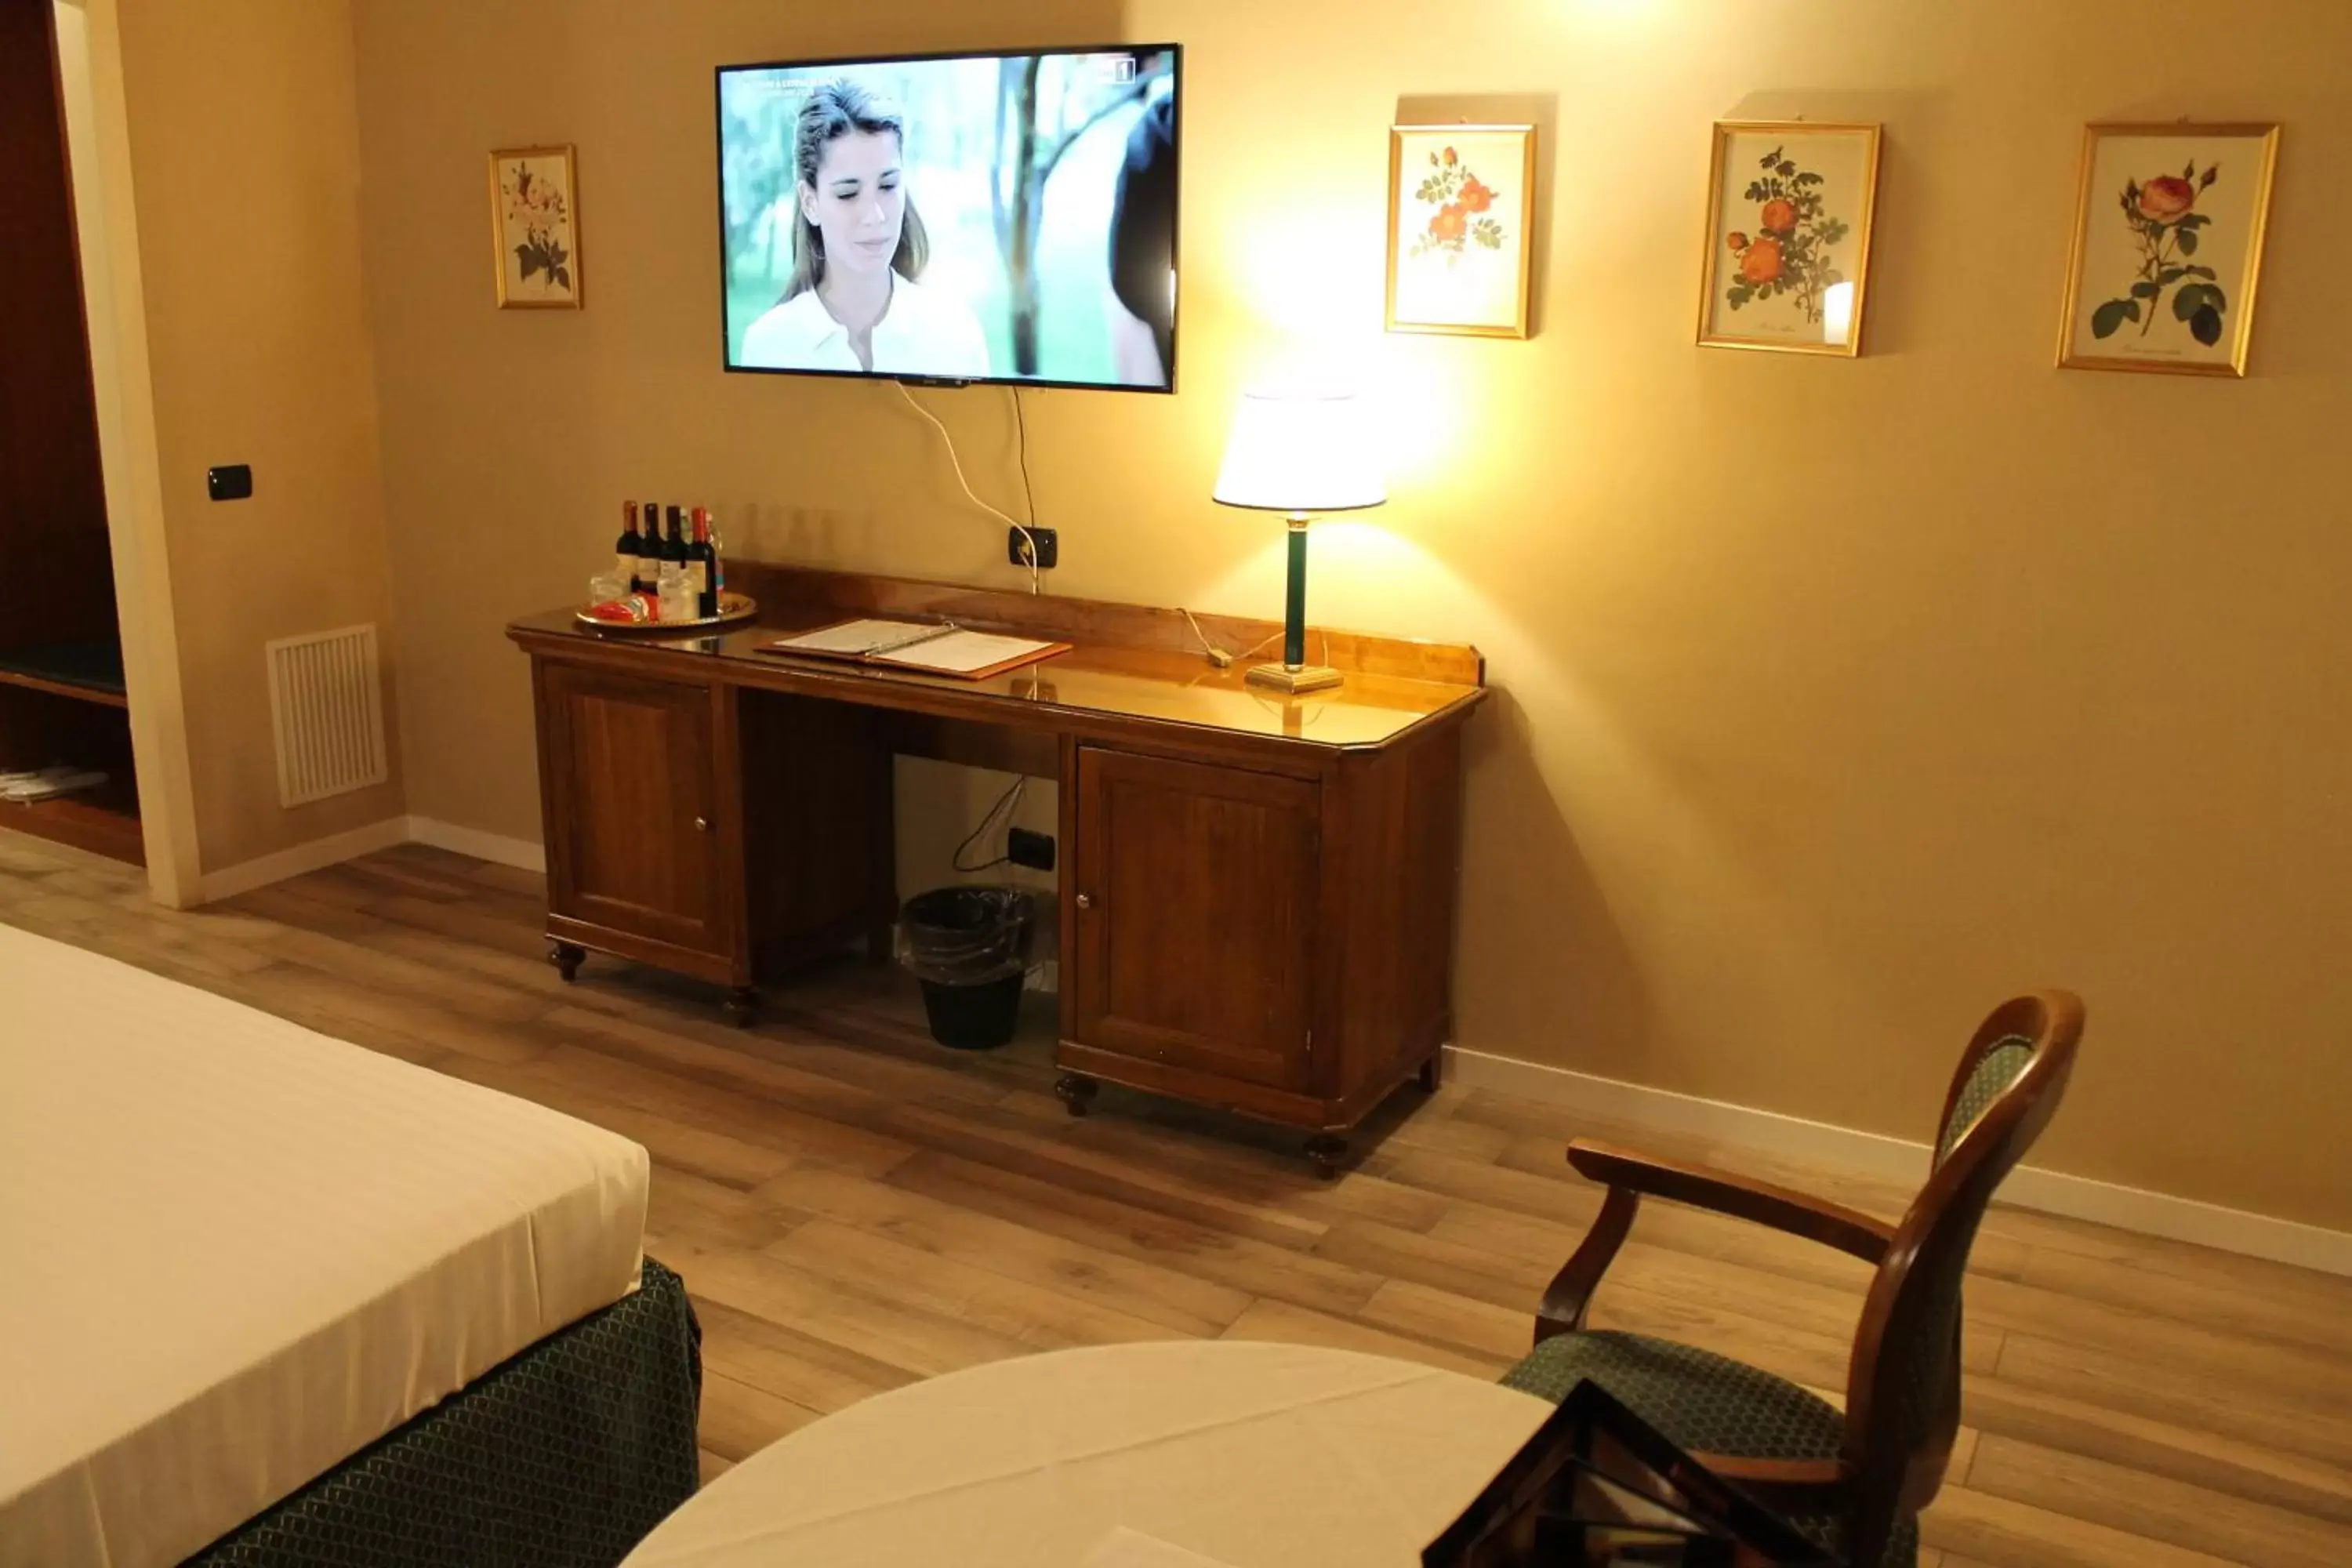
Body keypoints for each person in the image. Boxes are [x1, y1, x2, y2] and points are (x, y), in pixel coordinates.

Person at [738, 79, 993, 379]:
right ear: (810, 202)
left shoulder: (955, 334)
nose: (875, 216)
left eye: (887, 186)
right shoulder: (769, 346)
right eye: (848, 193)